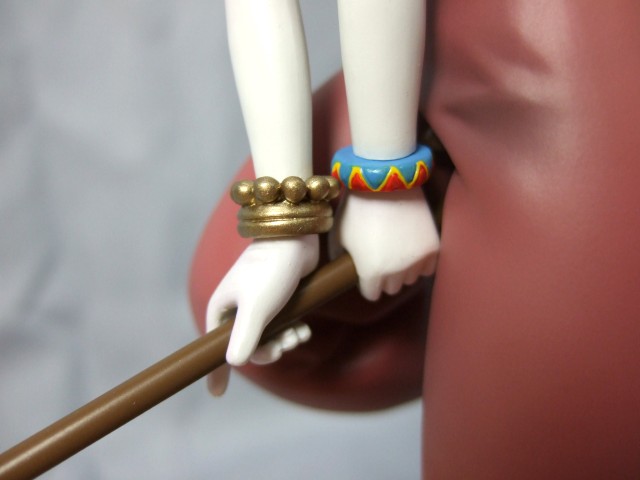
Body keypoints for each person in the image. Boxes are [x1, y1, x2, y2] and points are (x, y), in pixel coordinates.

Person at [190, 1, 640, 477]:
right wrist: (283, 231)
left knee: (541, 422)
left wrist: (385, 184)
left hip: (566, 53)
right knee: (232, 287)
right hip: (441, 57)